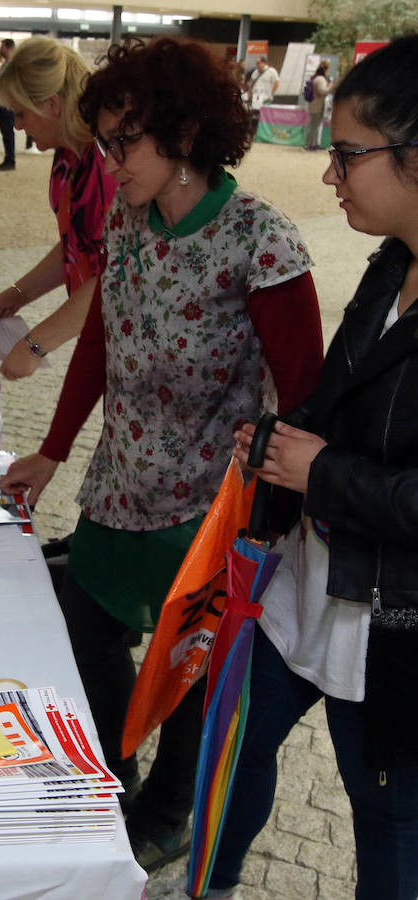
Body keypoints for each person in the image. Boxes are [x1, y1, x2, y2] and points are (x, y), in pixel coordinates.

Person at [0, 37, 324, 872]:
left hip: (210, 508)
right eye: (104, 142)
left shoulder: (261, 241)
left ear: (183, 134)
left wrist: (275, 518)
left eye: (124, 142)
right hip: (122, 481)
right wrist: (52, 449)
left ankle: (171, 808)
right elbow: (104, 334)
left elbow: (307, 396)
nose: (111, 161)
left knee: (193, 667)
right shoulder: (128, 221)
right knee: (87, 621)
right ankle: (110, 769)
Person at [207, 35, 418, 900]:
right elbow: (341, 406)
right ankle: (209, 879)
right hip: (308, 587)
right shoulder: (389, 265)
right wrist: (282, 442)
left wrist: (322, 471)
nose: (331, 176)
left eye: (347, 155)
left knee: (388, 826)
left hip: (394, 628)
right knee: (234, 742)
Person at [0, 36, 116, 380]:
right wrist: (18, 293)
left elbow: (113, 275)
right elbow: (77, 246)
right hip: (102, 329)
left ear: (52, 105)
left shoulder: (106, 165)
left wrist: (35, 344)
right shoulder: (67, 156)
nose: (17, 126)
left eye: (20, 113)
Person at [0, 38, 17, 171]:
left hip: (7, 104)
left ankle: (11, 160)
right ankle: (8, 158)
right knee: (5, 132)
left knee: (8, 132)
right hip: (2, 102)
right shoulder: (5, 64)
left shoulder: (12, 65)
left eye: (1, 47)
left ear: (7, 48)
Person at [304, 60, 333, 151]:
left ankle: (314, 144)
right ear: (325, 70)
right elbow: (322, 91)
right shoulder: (321, 79)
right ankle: (309, 145)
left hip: (314, 105)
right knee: (314, 126)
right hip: (317, 105)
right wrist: (331, 86)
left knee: (315, 125)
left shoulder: (315, 77)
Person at [250, 56, 280, 124]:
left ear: (264, 63)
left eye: (258, 63)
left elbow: (277, 82)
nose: (257, 65)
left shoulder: (271, 71)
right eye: (256, 63)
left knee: (264, 115)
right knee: (255, 114)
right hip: (256, 97)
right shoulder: (255, 72)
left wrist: (272, 93)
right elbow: (251, 82)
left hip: (266, 97)